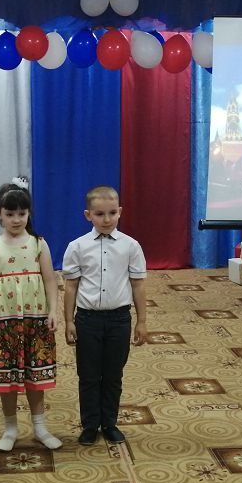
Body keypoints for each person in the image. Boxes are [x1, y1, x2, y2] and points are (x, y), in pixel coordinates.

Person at [62, 185, 147, 446]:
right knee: (88, 375)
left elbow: (138, 285)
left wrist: (142, 321)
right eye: (99, 214)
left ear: (120, 211)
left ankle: (109, 423)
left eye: (112, 213)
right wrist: (69, 321)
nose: (107, 219)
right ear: (88, 215)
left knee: (113, 374)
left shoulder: (131, 246)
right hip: (87, 320)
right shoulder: (77, 246)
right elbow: (71, 286)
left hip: (119, 320)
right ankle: (90, 425)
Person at [0, 178, 62, 452]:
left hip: (36, 321)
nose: (16, 219)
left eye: (21, 213)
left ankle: (40, 427)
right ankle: (10, 429)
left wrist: (53, 311)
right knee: (7, 377)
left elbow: (50, 280)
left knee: (36, 375)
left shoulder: (39, 244)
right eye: (10, 214)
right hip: (4, 323)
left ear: (29, 213)